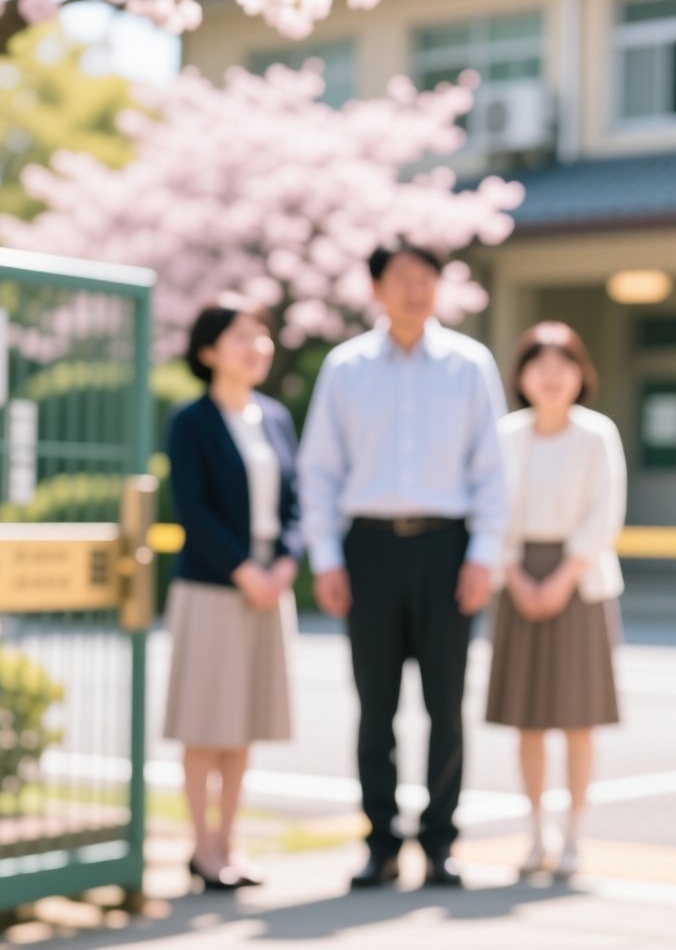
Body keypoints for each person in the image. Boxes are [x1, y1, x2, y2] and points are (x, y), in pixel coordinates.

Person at [296, 238, 508, 891]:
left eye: (425, 279)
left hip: (449, 549)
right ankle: (380, 843)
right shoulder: (346, 366)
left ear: (438, 288)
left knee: (447, 706)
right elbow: (319, 469)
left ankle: (441, 845)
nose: (414, 290)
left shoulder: (470, 365)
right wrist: (327, 559)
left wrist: (482, 557)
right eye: (401, 279)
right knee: (375, 706)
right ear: (377, 289)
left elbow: (493, 471)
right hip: (369, 551)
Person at [163, 299, 303, 892]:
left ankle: (231, 844)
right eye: (242, 336)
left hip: (271, 586)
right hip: (214, 586)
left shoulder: (274, 417)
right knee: (206, 724)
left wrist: (287, 562)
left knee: (244, 724)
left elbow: (296, 502)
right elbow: (193, 510)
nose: (257, 347)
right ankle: (203, 848)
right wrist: (246, 570)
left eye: (262, 336)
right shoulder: (190, 421)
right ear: (208, 351)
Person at [484, 322, 626, 877]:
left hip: (580, 583)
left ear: (579, 374)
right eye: (538, 365)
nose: (550, 376)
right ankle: (535, 833)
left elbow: (605, 511)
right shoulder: (504, 435)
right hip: (518, 579)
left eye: (562, 364)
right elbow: (489, 511)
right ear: (520, 375)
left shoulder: (597, 434)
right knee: (528, 718)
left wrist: (563, 576)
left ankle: (573, 837)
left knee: (578, 718)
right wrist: (515, 577)